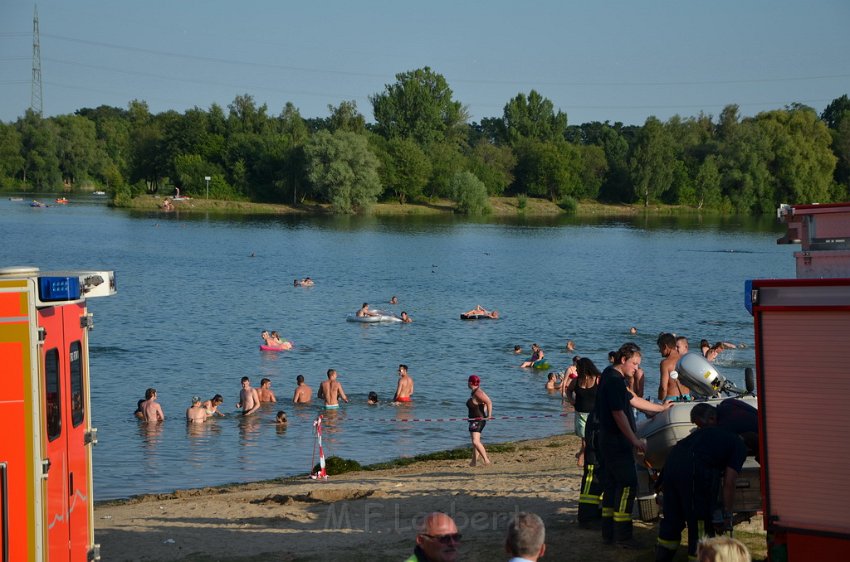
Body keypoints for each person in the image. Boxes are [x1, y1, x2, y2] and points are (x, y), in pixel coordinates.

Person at [596, 342, 673, 548]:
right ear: (623, 360)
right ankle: (623, 536)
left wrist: (658, 409)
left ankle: (608, 534)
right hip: (615, 440)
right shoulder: (613, 381)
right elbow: (618, 414)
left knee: (612, 485)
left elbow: (632, 399)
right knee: (628, 485)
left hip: (610, 440)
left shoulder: (613, 377)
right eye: (635, 364)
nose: (637, 369)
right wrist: (635, 440)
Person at [654, 403, 748, 562]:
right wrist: (727, 514)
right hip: (694, 471)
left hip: (672, 464)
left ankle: (662, 557)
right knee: (700, 523)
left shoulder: (698, 436)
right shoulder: (737, 444)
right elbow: (730, 482)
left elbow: (678, 454)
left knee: (672, 518)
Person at [564, 357, 601, 467]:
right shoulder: (576, 380)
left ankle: (581, 457)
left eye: (578, 368)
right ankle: (582, 458)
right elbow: (568, 390)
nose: (576, 371)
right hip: (580, 414)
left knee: (592, 439)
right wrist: (571, 401)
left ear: (584, 368)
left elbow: (606, 392)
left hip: (594, 414)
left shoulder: (597, 379)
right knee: (585, 439)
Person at [466, 375, 492, 466]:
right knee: (475, 442)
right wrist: (483, 410)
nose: (467, 383)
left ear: (470, 383)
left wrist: (488, 415)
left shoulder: (478, 393)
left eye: (468, 381)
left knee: (475, 441)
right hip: (473, 420)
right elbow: (483, 404)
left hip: (478, 421)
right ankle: (473, 462)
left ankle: (486, 460)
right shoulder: (474, 392)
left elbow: (488, 402)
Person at [658, 332, 690, 402]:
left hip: (671, 399)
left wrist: (659, 402)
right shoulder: (685, 359)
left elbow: (663, 388)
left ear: (665, 347)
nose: (659, 351)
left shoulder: (665, 363)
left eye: (660, 348)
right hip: (687, 398)